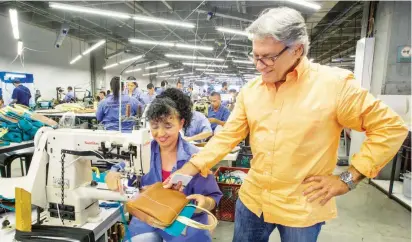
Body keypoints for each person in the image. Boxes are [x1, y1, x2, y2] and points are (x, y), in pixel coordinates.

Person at [166, 7, 409, 242]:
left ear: (297, 50)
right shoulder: (251, 92)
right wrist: (190, 168)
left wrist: (349, 178)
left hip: (301, 207)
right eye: (255, 56)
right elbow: (227, 135)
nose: (259, 65)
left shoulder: (334, 86)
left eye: (269, 57)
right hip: (253, 201)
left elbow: (390, 128)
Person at [106, 88, 222, 242]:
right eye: (154, 126)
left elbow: (213, 198)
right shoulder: (142, 152)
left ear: (181, 123)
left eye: (168, 126)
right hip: (148, 217)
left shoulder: (195, 158)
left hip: (183, 224)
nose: (160, 133)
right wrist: (112, 174)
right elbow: (119, 169)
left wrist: (205, 202)